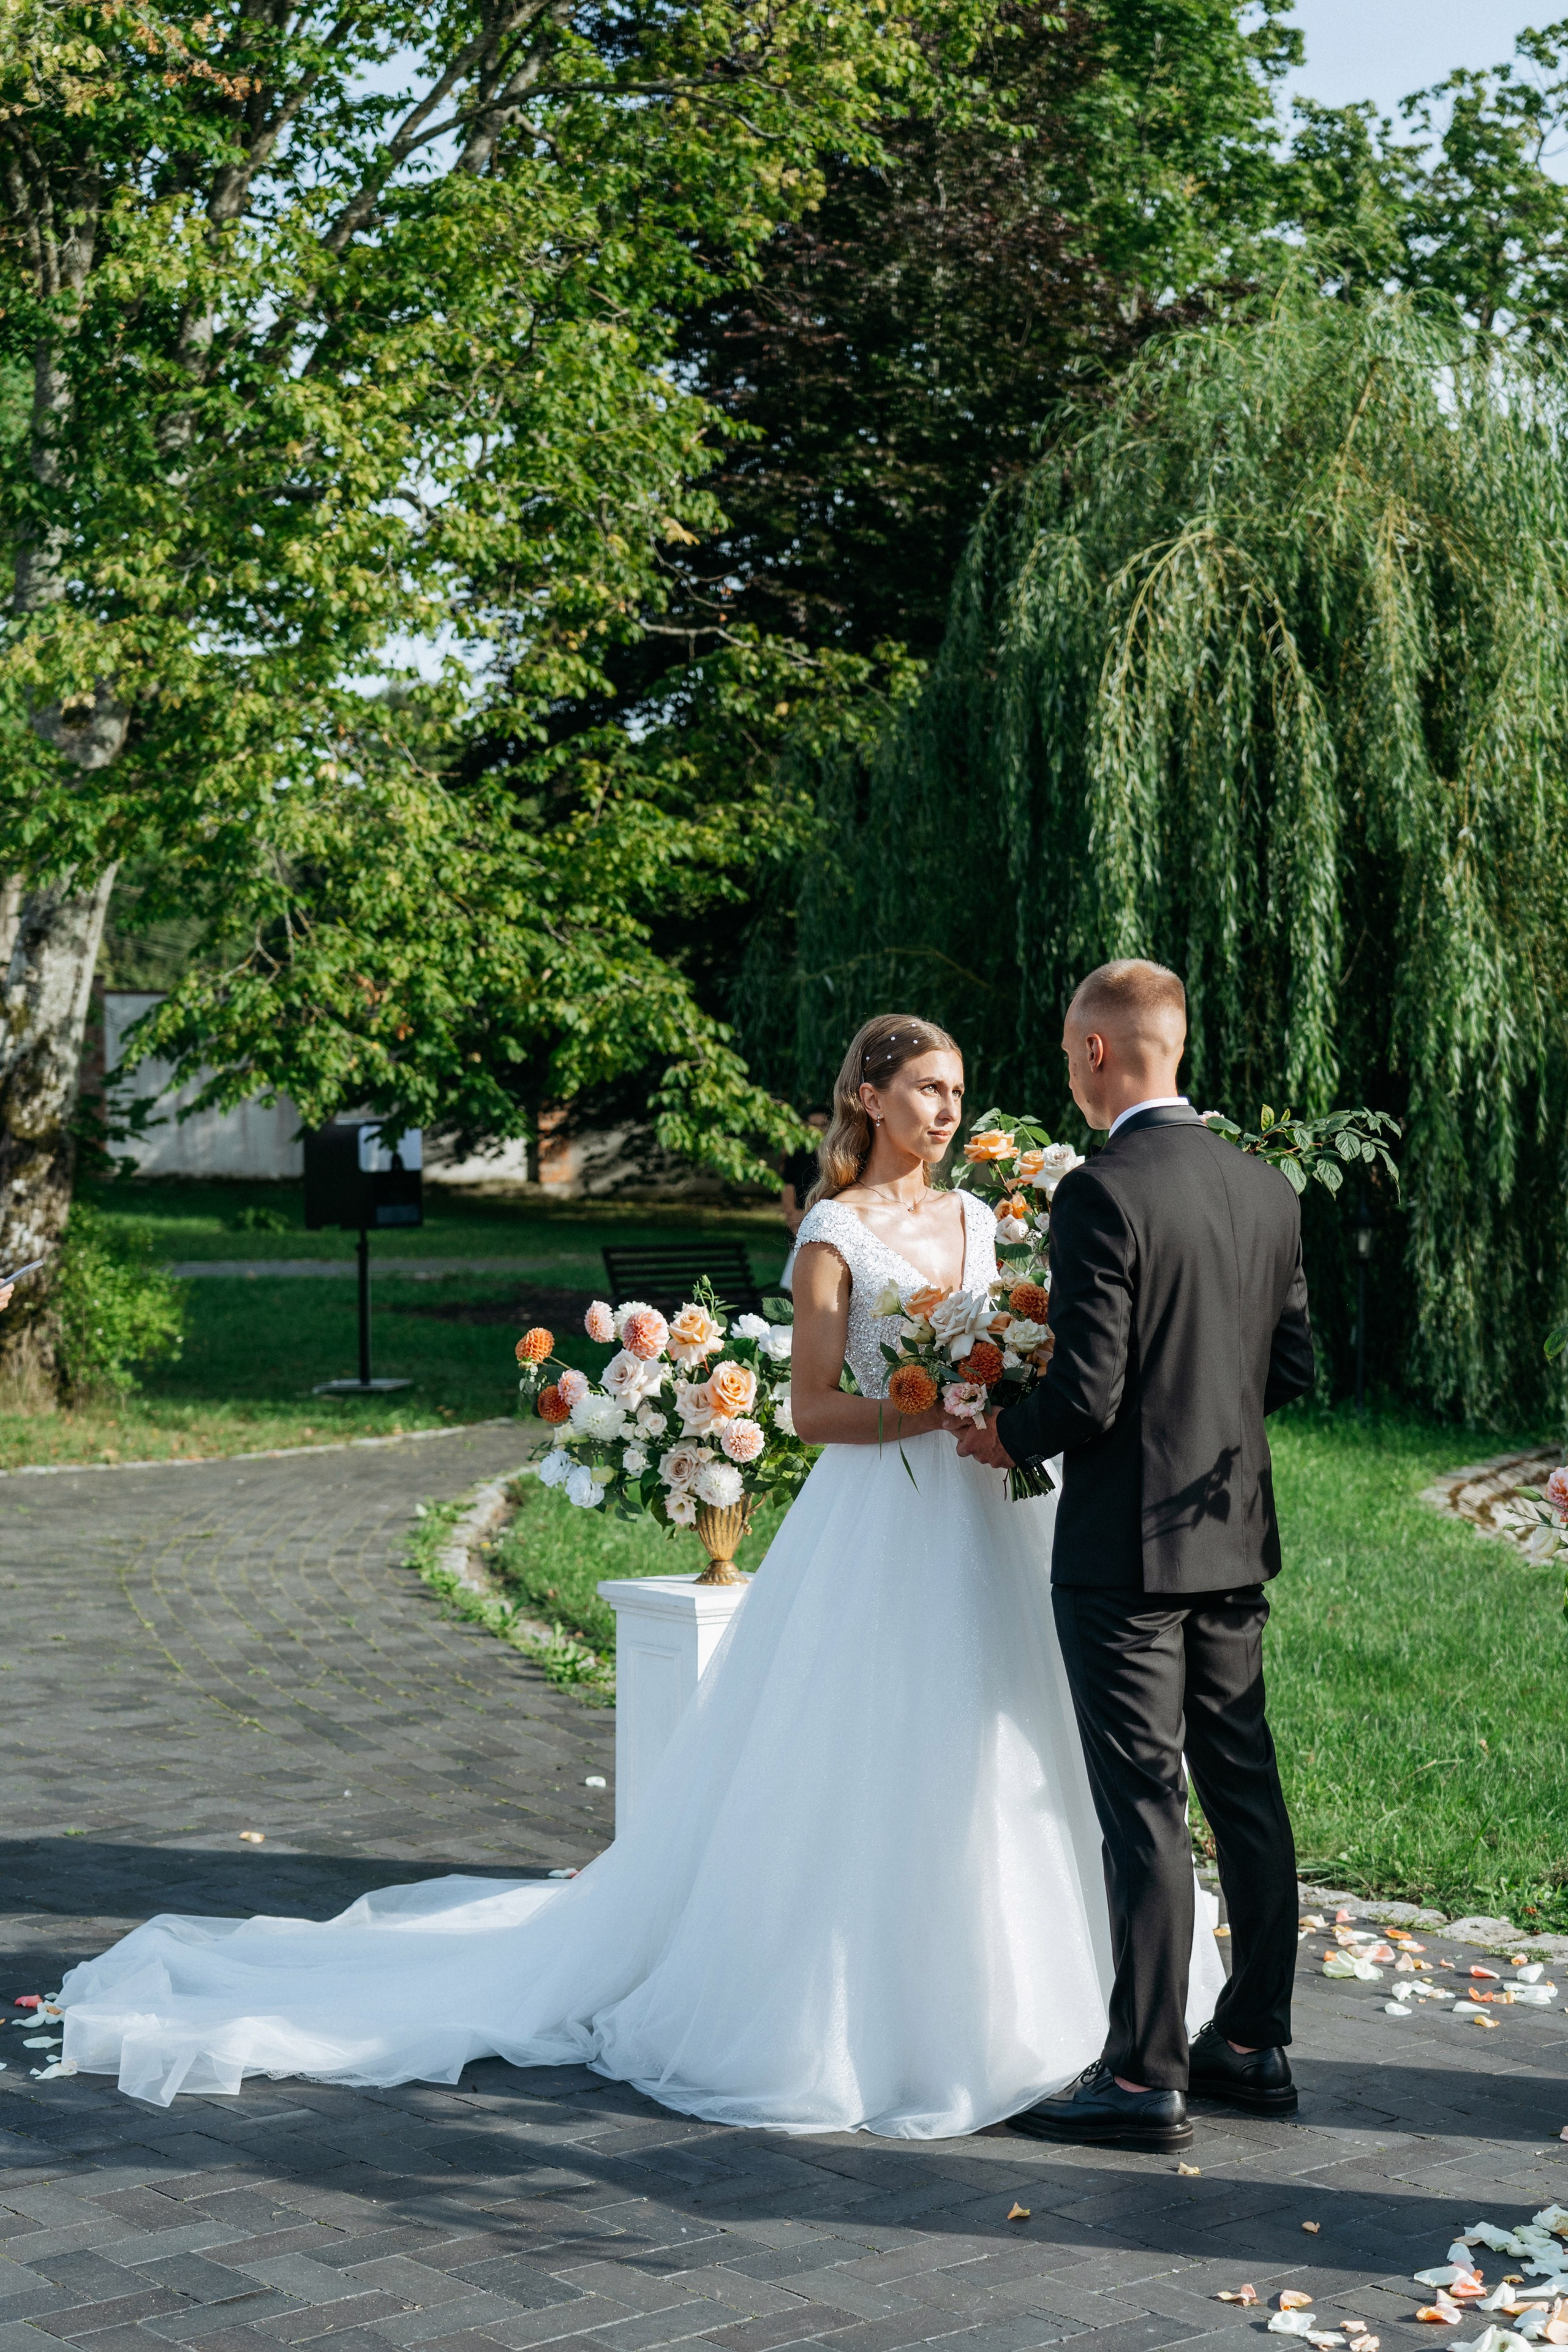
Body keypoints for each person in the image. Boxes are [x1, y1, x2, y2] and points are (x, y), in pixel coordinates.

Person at [53, 1011, 1224, 2136]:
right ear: (870, 1099)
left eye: (958, 1092)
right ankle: (875, 2013)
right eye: (927, 1089)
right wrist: (932, 1411)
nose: (949, 1109)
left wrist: (1004, 1393)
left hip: (997, 1510)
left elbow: (1027, 1344)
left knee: (1017, 1739)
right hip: (886, 1517)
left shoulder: (978, 1215)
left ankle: (1080, 2002)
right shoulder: (834, 1233)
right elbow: (813, 1410)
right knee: (877, 1749)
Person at [956, 959, 1314, 2149]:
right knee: (1241, 1784)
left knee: (1145, 1804)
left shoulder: (1099, 1191)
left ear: (1098, 1051)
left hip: (1124, 1556)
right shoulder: (1264, 1187)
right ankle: (1250, 2043)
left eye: (1072, 1051)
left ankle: (1142, 2077)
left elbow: (1087, 1394)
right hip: (1231, 1537)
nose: (1071, 1069)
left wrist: (1002, 1431)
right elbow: (1290, 1370)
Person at [777, 1109, 828, 1291]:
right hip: (798, 1223)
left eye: (822, 1126)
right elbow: (787, 1186)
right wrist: (792, 1216)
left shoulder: (835, 1156)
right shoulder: (797, 1153)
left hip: (823, 1221)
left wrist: (806, 1215)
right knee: (795, 1284)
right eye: (812, 1126)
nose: (817, 1131)